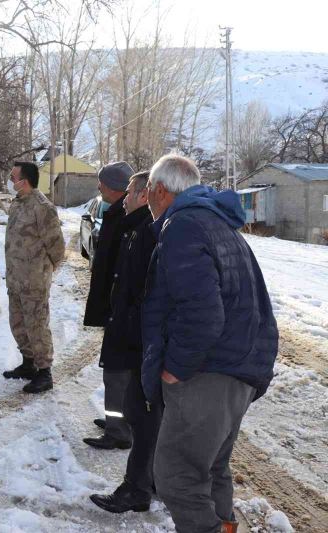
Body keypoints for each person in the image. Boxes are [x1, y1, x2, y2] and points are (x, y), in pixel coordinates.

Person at [142, 154, 278, 533]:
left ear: (160, 190)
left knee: (176, 476)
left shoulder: (184, 226)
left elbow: (203, 313)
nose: (148, 200)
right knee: (212, 469)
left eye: (150, 192)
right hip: (238, 368)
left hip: (207, 373)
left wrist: (174, 369)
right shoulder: (218, 222)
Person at [90, 171, 160, 513]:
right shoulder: (133, 225)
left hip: (137, 338)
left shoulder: (146, 231)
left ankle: (142, 483)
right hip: (128, 328)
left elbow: (143, 291)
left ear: (145, 194)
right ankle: (146, 481)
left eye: (133, 192)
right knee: (139, 407)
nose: (128, 197)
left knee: (142, 408)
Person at [83, 160, 135, 450]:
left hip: (121, 313)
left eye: (102, 182)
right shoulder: (116, 213)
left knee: (117, 373)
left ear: (114, 187)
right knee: (117, 372)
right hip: (116, 309)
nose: (99, 187)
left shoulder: (125, 218)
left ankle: (119, 431)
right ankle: (118, 421)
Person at [1, 162, 65, 393]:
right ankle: (28, 363)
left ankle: (44, 371)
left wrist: (43, 271)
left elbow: (57, 247)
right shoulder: (17, 204)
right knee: (18, 324)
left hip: (34, 281)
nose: (10, 179)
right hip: (16, 279)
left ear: (24, 180)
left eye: (13, 176)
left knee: (37, 326)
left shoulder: (42, 207)